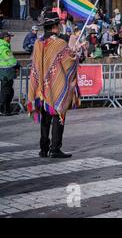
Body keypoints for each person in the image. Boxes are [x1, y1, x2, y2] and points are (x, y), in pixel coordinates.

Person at [27, 12, 79, 158]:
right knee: (58, 116)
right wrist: (76, 54)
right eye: (59, 25)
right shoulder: (60, 44)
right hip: (55, 88)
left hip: (41, 87)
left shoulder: (38, 43)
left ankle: (43, 149)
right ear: (56, 26)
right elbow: (69, 62)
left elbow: (36, 65)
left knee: (45, 119)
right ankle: (55, 148)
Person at [0, 32, 20, 116]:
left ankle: (6, 109)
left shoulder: (4, 46)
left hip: (6, 71)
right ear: (5, 38)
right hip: (6, 72)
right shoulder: (3, 47)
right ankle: (3, 110)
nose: (10, 38)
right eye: (9, 37)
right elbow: (10, 59)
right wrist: (17, 65)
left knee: (9, 91)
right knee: (6, 91)